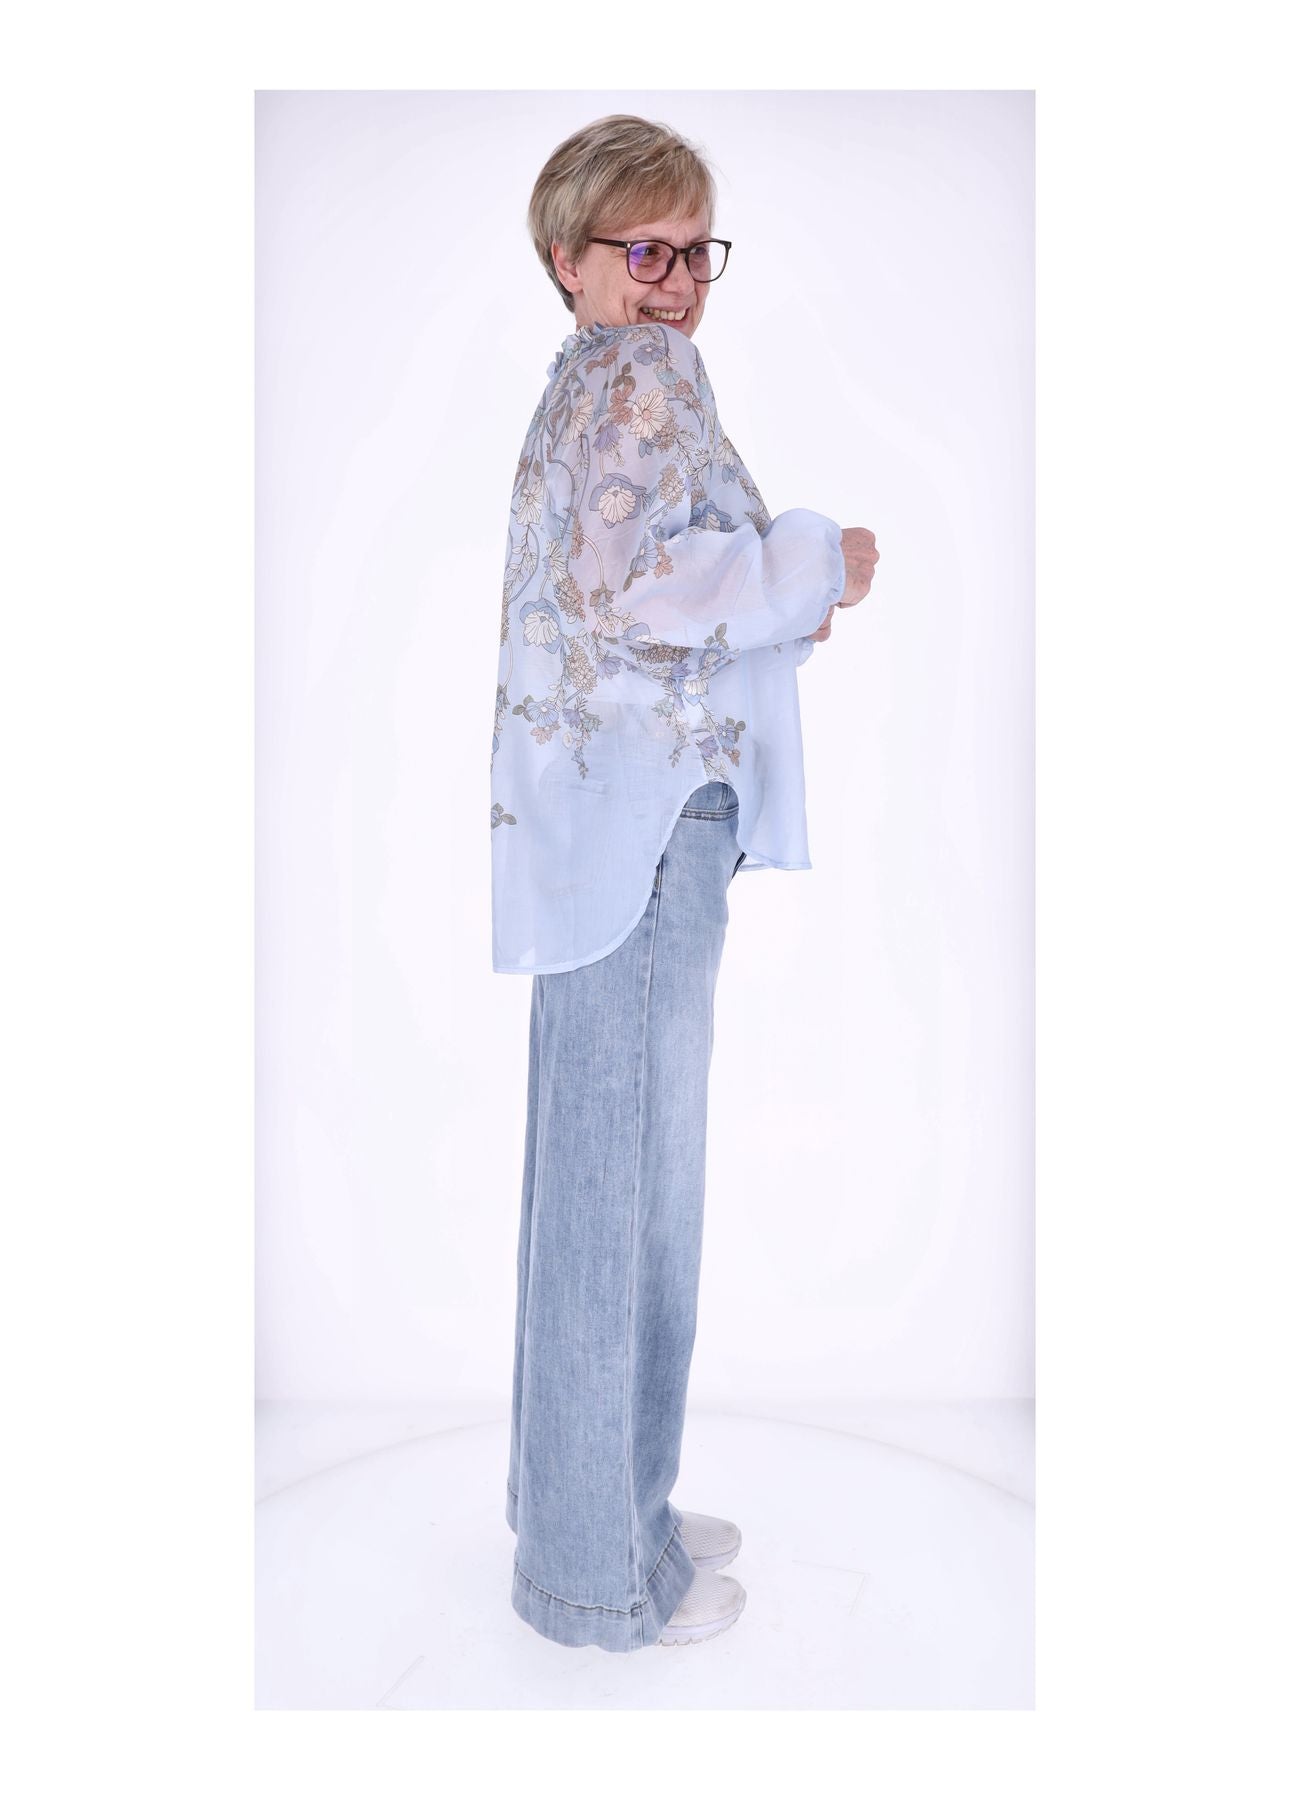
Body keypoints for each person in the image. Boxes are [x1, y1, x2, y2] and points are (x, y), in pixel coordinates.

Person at [490, 113, 879, 1652]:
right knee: (626, 1199)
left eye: (692, 251)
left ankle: (599, 1511)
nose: (673, 281)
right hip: (645, 832)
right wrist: (813, 564)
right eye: (640, 250)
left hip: (609, 828)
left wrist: (778, 599)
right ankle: (597, 1571)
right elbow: (642, 589)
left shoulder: (588, 381)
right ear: (567, 260)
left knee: (598, 1183)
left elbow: (627, 595)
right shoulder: (637, 377)